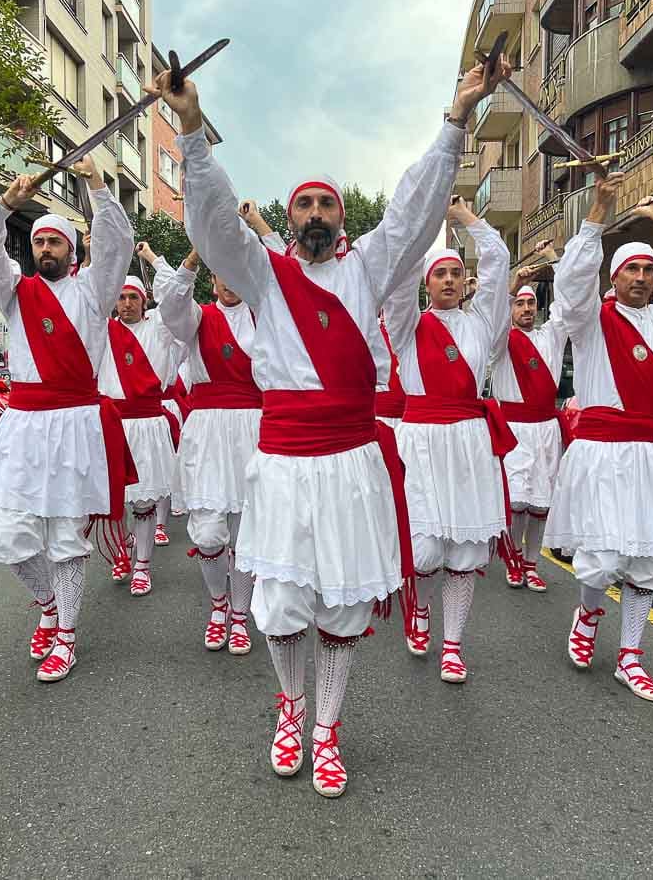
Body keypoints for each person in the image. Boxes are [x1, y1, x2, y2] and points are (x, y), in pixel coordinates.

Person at [151, 53, 510, 797]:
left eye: (327, 205)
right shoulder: (260, 273)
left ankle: (327, 728)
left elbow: (414, 209)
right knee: (281, 607)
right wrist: (189, 128)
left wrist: (456, 118)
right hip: (282, 460)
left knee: (343, 605)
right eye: (304, 205)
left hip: (352, 462)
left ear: (344, 216)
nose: (315, 215)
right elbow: (215, 225)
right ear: (290, 218)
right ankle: (289, 705)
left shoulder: (372, 266)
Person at [543, 172, 653, 703]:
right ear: (613, 278)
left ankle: (631, 657)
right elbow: (571, 285)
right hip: (601, 455)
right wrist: (598, 214)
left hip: (650, 454)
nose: (642, 277)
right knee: (600, 559)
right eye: (631, 270)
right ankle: (589, 613)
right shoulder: (589, 321)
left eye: (649, 269)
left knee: (647, 561)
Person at [0, 160, 134, 683]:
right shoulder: (14, 292)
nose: (46, 250)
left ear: (72, 250)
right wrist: (8, 202)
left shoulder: (94, 291)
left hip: (76, 424)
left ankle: (67, 637)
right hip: (25, 424)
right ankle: (48, 603)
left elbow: (117, 243)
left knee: (64, 537)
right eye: (39, 243)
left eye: (55, 243)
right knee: (11, 537)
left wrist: (98, 188)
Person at [383, 196, 513, 681]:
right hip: (420, 441)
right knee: (425, 552)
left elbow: (498, 263)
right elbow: (395, 286)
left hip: (469, 443)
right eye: (440, 274)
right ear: (427, 282)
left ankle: (453, 644)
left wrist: (464, 218)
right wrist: (423, 225)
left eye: (457, 274)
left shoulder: (483, 325)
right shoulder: (408, 325)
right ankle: (418, 607)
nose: (450, 281)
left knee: (465, 552)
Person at [145, 242, 262, 657]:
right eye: (221, 274)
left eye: (236, 274)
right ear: (212, 280)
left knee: (248, 533)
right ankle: (218, 603)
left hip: (254, 428)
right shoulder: (196, 318)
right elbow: (172, 304)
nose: (229, 282)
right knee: (210, 533)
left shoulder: (261, 317)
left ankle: (241, 615)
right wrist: (193, 258)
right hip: (209, 431)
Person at [99, 270, 185, 597]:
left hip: (148, 424)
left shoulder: (159, 329)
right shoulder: (103, 331)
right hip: (113, 424)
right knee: (114, 500)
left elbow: (176, 298)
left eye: (133, 297)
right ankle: (122, 551)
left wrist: (152, 259)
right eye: (121, 297)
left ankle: (143, 567)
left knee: (145, 502)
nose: (127, 303)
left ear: (145, 300)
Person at [491, 258, 569, 593]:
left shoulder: (551, 336)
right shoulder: (501, 341)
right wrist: (512, 283)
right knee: (517, 500)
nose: (525, 308)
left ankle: (532, 562)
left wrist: (559, 261)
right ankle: (513, 558)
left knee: (540, 503)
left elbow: (566, 304)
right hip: (514, 429)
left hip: (546, 430)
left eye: (530, 303)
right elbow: (489, 315)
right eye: (519, 303)